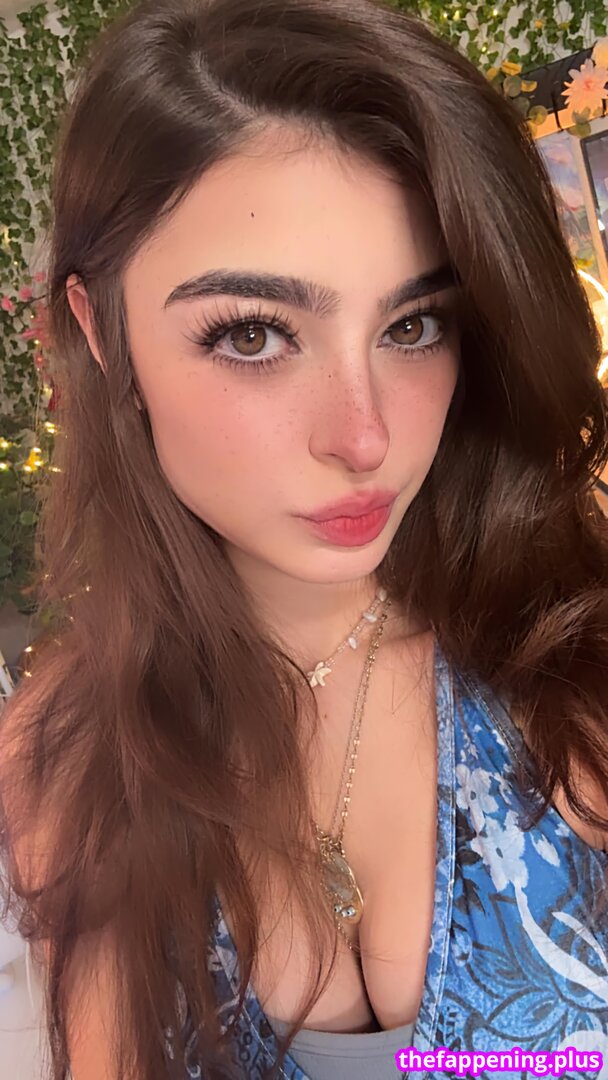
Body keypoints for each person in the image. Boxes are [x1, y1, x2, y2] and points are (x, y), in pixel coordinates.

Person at [1, 0, 608, 1077]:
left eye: (411, 324)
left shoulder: (573, 669)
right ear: (100, 332)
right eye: (253, 334)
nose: (364, 437)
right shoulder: (67, 759)